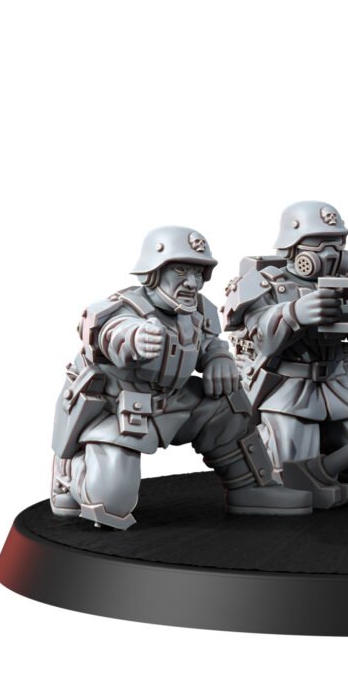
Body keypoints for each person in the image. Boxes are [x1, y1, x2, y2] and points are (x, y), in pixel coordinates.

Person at [50, 226, 312, 529]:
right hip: (120, 410)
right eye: (180, 271)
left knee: (228, 402)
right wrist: (134, 338)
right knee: (111, 506)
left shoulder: (199, 310)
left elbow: (209, 343)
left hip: (173, 400)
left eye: (198, 272)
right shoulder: (123, 308)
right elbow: (109, 334)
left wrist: (218, 358)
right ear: (154, 271)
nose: (192, 282)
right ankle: (71, 472)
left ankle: (249, 486)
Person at [223, 201, 348, 484]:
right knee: (292, 471)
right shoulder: (265, 283)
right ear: (293, 246)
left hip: (338, 385)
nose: (330, 253)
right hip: (288, 389)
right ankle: (256, 447)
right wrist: (292, 314)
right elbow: (258, 337)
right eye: (318, 243)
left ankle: (331, 445)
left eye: (337, 243)